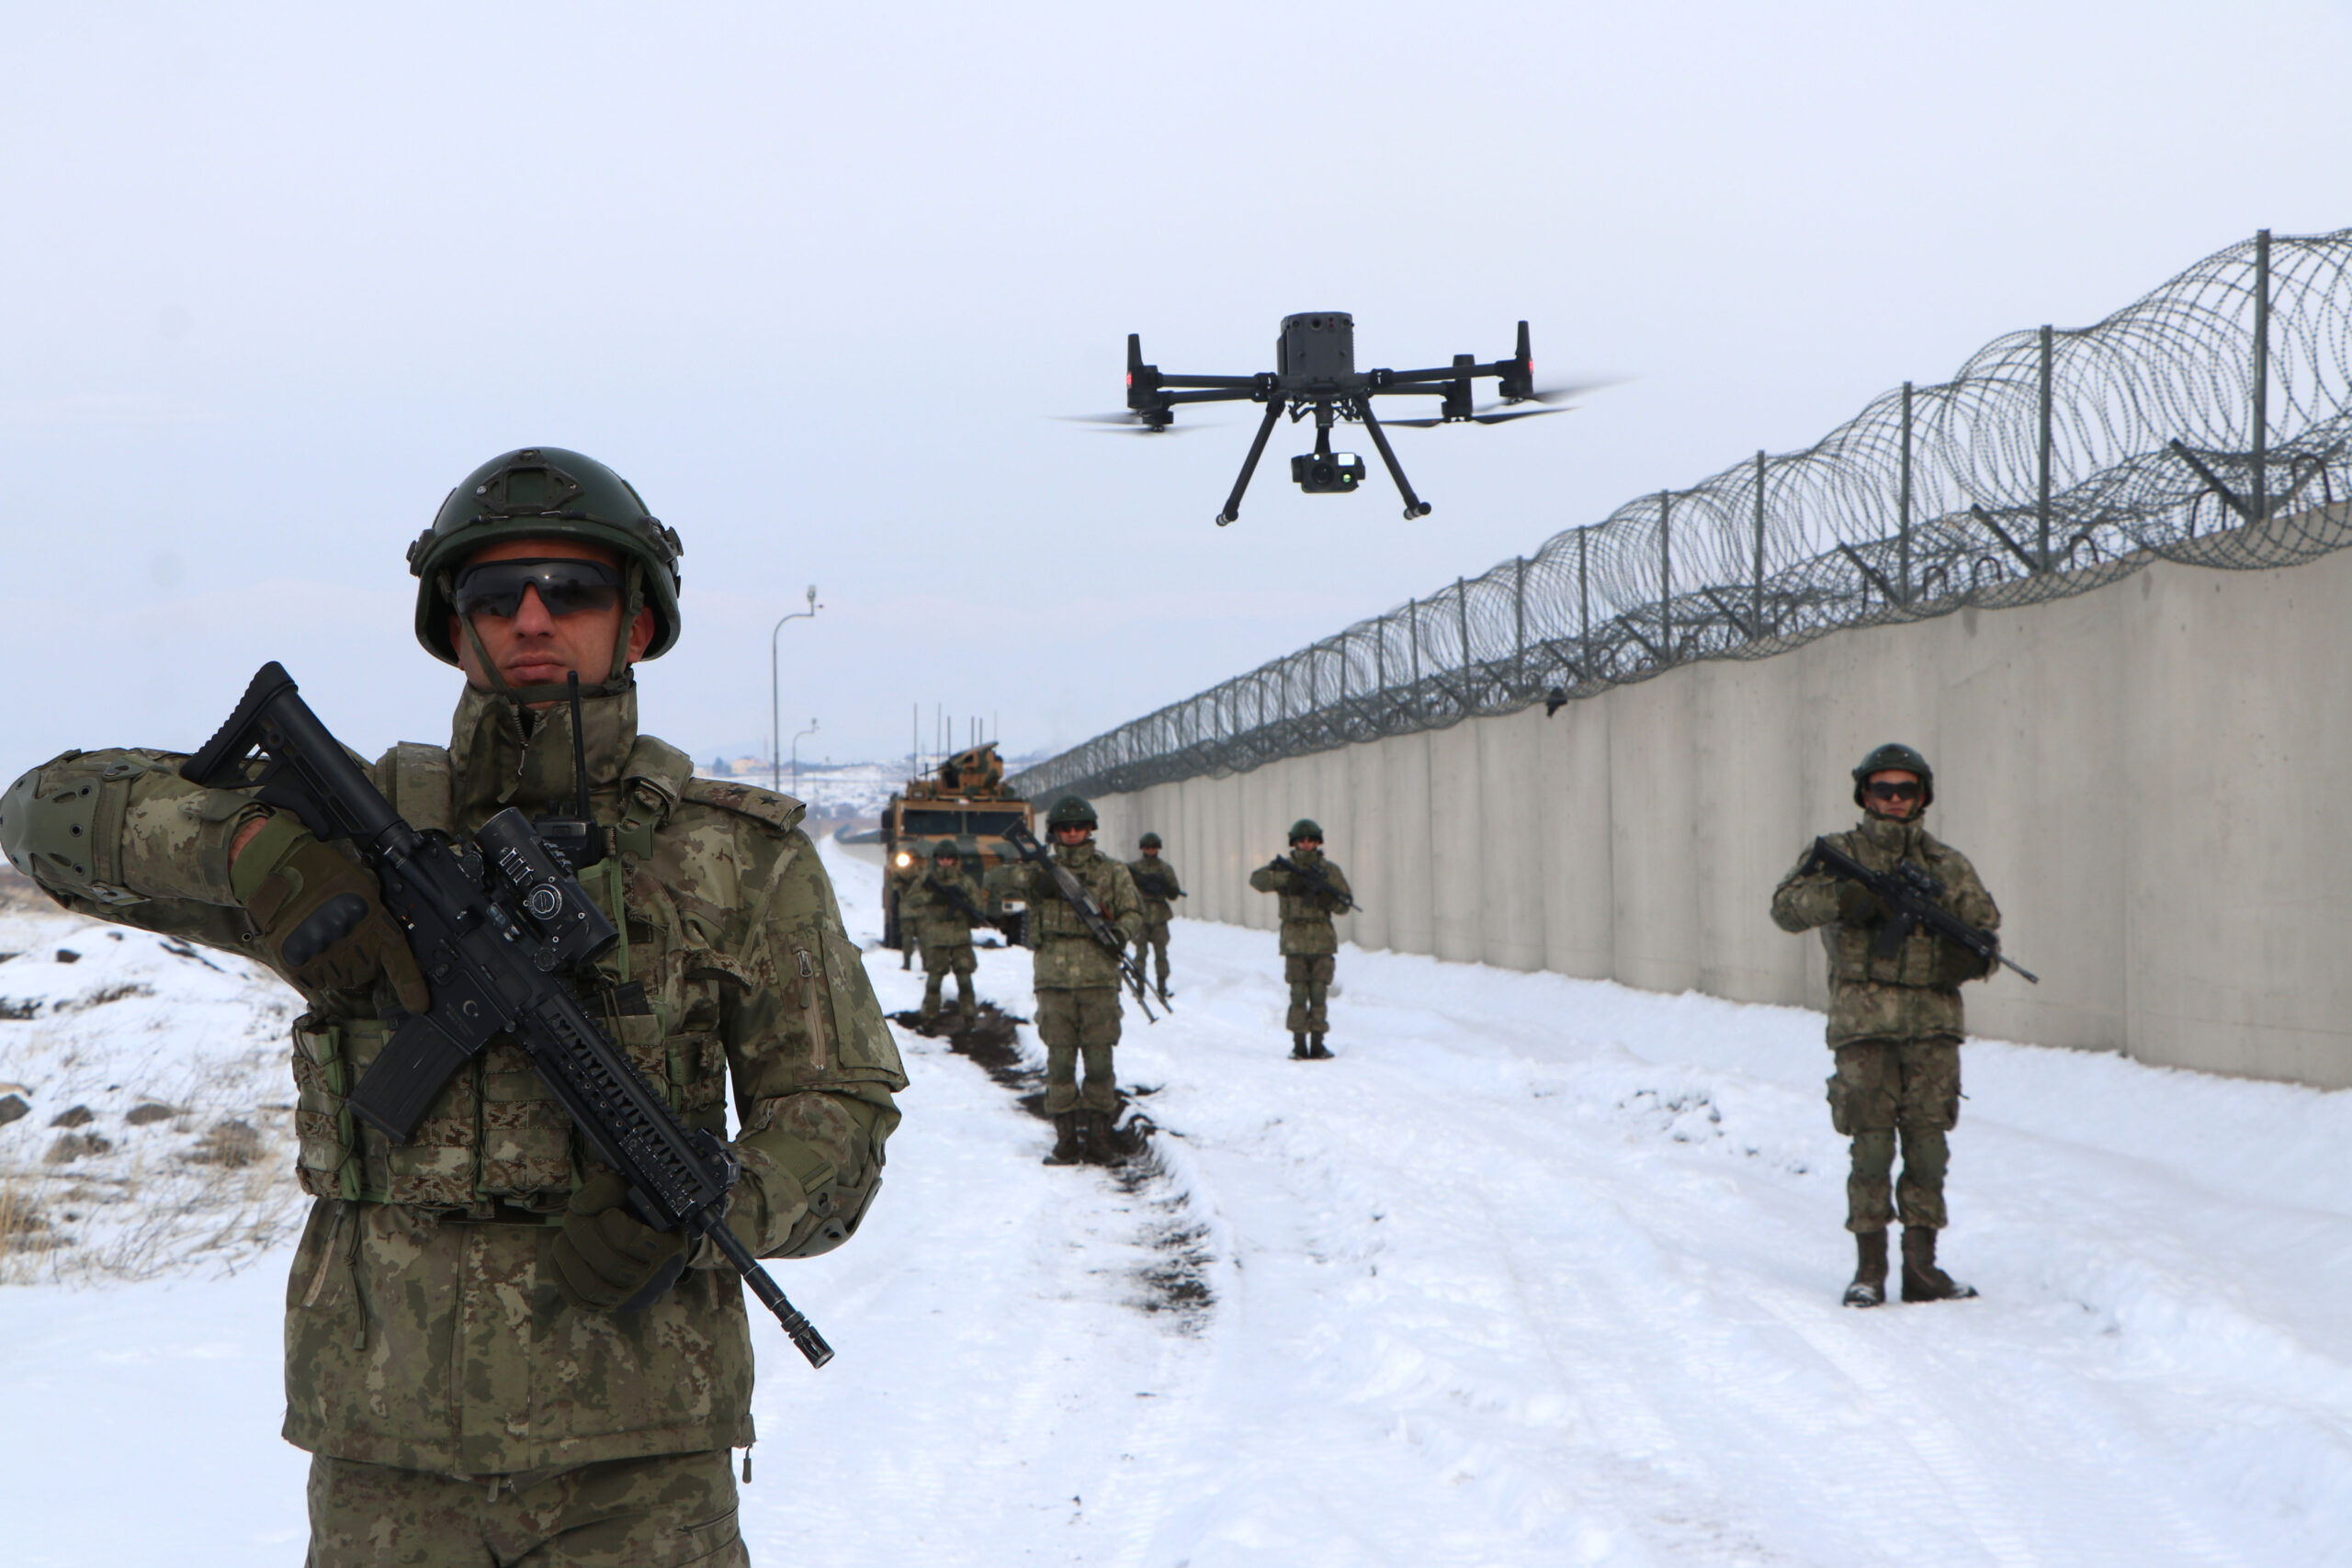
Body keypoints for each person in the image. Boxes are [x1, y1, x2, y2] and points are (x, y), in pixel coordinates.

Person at [1, 446, 906, 1565]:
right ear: (453, 626)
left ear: (635, 622)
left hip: (641, 1464)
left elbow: (839, 1112)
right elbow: (44, 814)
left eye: (571, 590)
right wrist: (248, 848)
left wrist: (720, 1207)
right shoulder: (355, 837)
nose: (532, 617)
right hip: (391, 1454)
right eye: (494, 594)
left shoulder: (732, 858)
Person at [1770, 742, 1997, 1308]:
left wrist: (1966, 960)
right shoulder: (1837, 854)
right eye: (1882, 789)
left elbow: (1985, 936)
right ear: (1864, 795)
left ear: (1922, 796)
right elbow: (1785, 908)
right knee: (1870, 1150)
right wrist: (1846, 898)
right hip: (1865, 1028)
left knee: (1928, 1150)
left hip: (1932, 1030)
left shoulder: (1949, 867)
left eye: (1906, 790)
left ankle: (1922, 1269)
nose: (1894, 800)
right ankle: (1869, 1270)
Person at [991, 795, 1140, 1165]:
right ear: (1054, 833)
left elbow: (1133, 912)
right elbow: (996, 881)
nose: (1073, 834)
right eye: (1065, 828)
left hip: (1099, 979)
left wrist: (1119, 934)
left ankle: (1100, 1139)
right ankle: (1066, 1141)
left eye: (1079, 827)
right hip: (1054, 981)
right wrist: (1036, 877)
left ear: (1090, 829)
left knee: (1100, 1062)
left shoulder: (1113, 871)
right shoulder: (1041, 869)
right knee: (1059, 1063)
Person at [1249, 818, 1351, 1060]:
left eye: (1311, 840)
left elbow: (1344, 904)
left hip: (1322, 939)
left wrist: (1327, 898)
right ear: (1294, 842)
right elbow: (1257, 880)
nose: (1306, 844)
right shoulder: (1284, 868)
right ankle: (1298, 1044)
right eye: (1302, 840)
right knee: (1297, 995)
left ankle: (1317, 1043)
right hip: (1295, 939)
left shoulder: (1329, 871)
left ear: (1318, 842)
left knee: (1318, 994)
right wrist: (1288, 881)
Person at [900, 839, 983, 1030]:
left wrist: (965, 911)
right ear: (936, 859)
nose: (945, 861)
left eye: (949, 858)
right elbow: (911, 899)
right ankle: (929, 1018)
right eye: (942, 858)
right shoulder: (927, 880)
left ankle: (969, 1018)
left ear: (955, 860)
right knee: (934, 981)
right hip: (936, 937)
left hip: (960, 937)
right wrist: (933, 898)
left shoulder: (964, 881)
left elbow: (978, 907)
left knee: (964, 980)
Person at [1125, 831, 1183, 1002]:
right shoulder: (1133, 869)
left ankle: (1162, 987)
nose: (1150, 850)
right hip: (1141, 915)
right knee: (1140, 954)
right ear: (1142, 848)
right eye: (1147, 847)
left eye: (1153, 847)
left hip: (1159, 916)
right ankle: (1140, 987)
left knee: (1161, 954)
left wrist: (1166, 888)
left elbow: (1173, 892)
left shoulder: (1165, 869)